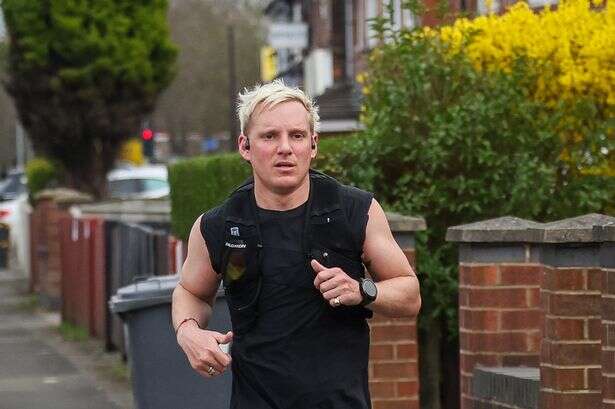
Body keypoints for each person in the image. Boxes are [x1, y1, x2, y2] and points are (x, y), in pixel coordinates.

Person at [171, 80, 421, 409]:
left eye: (297, 135)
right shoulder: (218, 225)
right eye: (270, 136)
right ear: (245, 146)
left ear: (313, 145)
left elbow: (410, 294)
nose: (285, 148)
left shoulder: (354, 211)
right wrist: (188, 332)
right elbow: (190, 292)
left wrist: (362, 290)